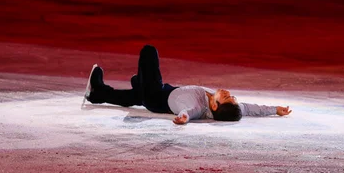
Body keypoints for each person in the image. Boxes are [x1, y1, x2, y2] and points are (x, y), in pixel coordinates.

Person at [85, 45, 292, 125]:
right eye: (232, 97)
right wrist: (275, 110)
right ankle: (98, 94)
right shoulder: (231, 107)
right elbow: (253, 109)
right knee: (133, 94)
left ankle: (140, 83)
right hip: (168, 90)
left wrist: (183, 117)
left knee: (149, 52)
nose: (229, 93)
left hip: (157, 97)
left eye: (227, 97)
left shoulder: (198, 107)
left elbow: (189, 112)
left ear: (214, 106)